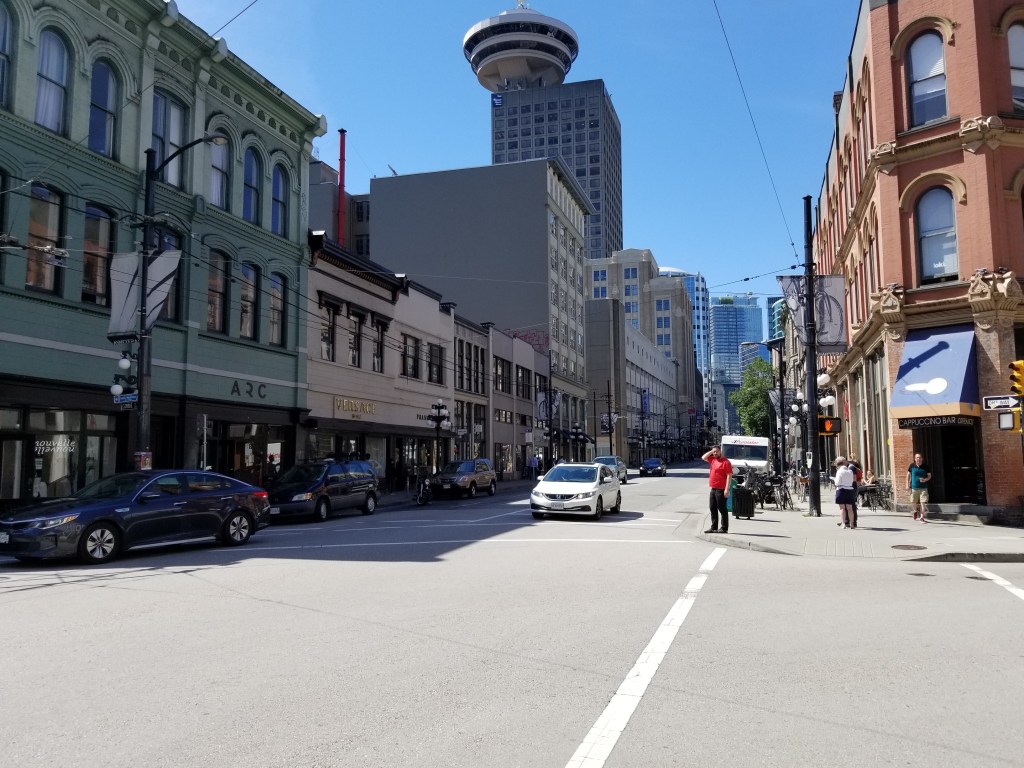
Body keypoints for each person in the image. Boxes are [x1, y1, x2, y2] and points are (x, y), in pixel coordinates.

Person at [701, 445, 732, 534]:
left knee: (722, 509)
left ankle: (724, 528)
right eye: (714, 452)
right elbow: (703, 457)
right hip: (713, 488)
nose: (715, 453)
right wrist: (712, 451)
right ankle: (714, 527)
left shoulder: (726, 462)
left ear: (720, 451)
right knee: (712, 508)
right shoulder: (713, 460)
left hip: (721, 489)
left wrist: (727, 489)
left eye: (716, 451)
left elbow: (729, 476)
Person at [907, 452, 932, 522]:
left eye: (920, 457)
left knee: (923, 503)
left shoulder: (926, 466)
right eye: (917, 458)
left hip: (923, 488)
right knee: (913, 501)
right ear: (915, 459)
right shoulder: (912, 466)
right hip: (914, 488)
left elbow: (929, 476)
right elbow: (908, 476)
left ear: (922, 459)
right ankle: (915, 511)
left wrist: (925, 479)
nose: (918, 459)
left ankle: (922, 517)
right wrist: (907, 485)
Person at [833, 456, 857, 528]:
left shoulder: (839, 472)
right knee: (850, 508)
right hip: (849, 490)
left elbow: (837, 482)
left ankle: (843, 524)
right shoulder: (850, 471)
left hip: (841, 490)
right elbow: (852, 480)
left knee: (842, 508)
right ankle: (852, 523)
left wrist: (834, 480)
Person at [847, 454, 863, 528]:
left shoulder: (851, 467)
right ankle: (850, 521)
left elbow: (854, 479)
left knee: (851, 505)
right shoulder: (855, 467)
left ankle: (852, 521)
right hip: (854, 487)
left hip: (852, 487)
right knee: (852, 504)